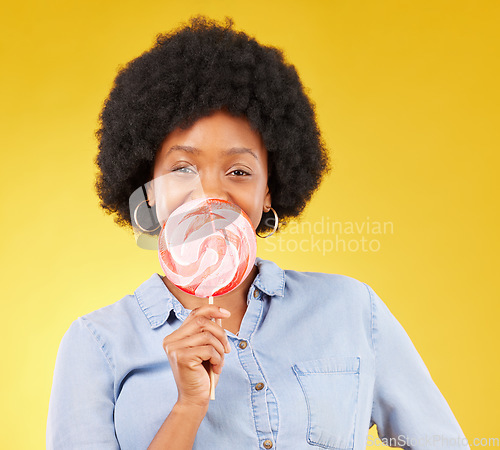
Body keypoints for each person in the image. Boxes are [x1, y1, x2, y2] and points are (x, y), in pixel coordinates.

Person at [47, 15, 469, 450]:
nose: (210, 191)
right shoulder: (95, 345)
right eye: (182, 168)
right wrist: (188, 406)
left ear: (268, 190)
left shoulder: (351, 309)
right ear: (149, 189)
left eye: (238, 170)